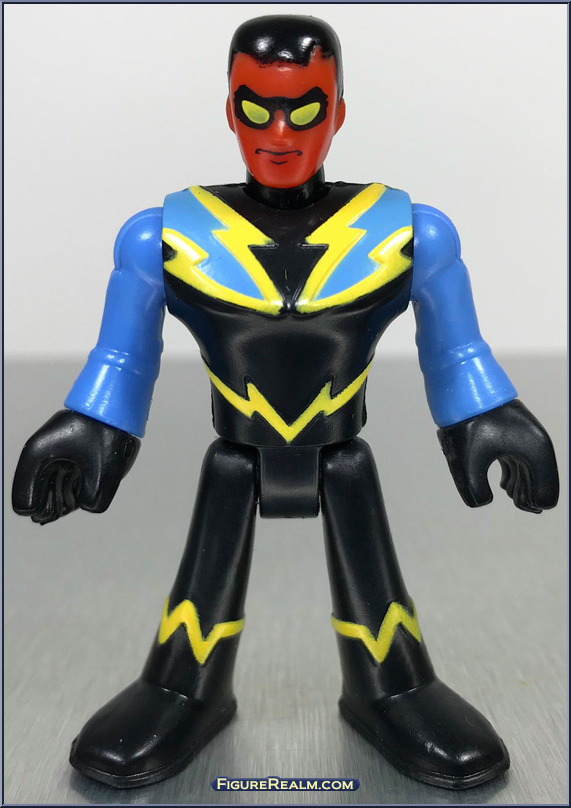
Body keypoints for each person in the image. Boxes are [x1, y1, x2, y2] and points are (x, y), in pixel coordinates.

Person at [13, 14, 558, 790]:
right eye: (256, 107)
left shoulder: (407, 234)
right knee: (209, 558)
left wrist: (487, 414)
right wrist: (90, 426)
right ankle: (182, 687)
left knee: (366, 552)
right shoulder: (164, 238)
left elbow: (454, 349)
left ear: (337, 112)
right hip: (235, 450)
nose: (279, 133)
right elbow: (122, 357)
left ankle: (392, 687)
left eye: (304, 109)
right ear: (229, 110)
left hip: (342, 449)